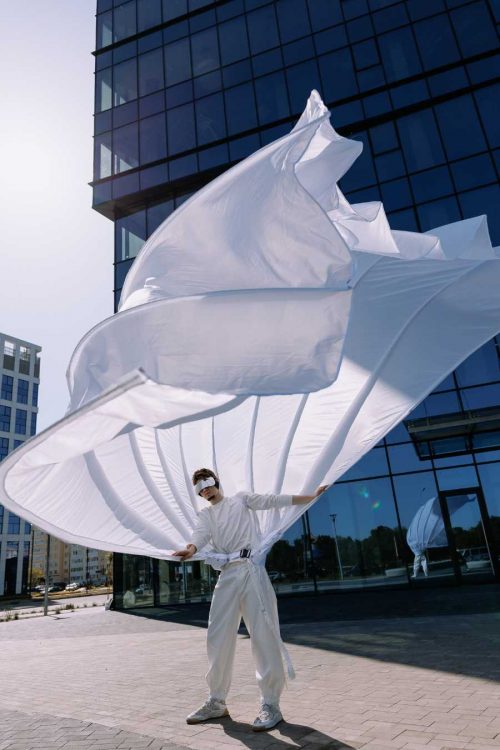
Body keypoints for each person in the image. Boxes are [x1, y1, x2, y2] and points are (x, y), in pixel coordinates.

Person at [173, 468, 327, 731]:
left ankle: (271, 704)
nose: (205, 489)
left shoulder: (241, 500)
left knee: (263, 635)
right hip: (227, 576)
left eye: (207, 482)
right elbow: (199, 537)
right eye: (199, 487)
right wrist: (190, 549)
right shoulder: (206, 515)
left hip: (251, 571)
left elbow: (272, 500)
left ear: (216, 481)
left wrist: (309, 497)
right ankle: (216, 700)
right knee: (217, 636)